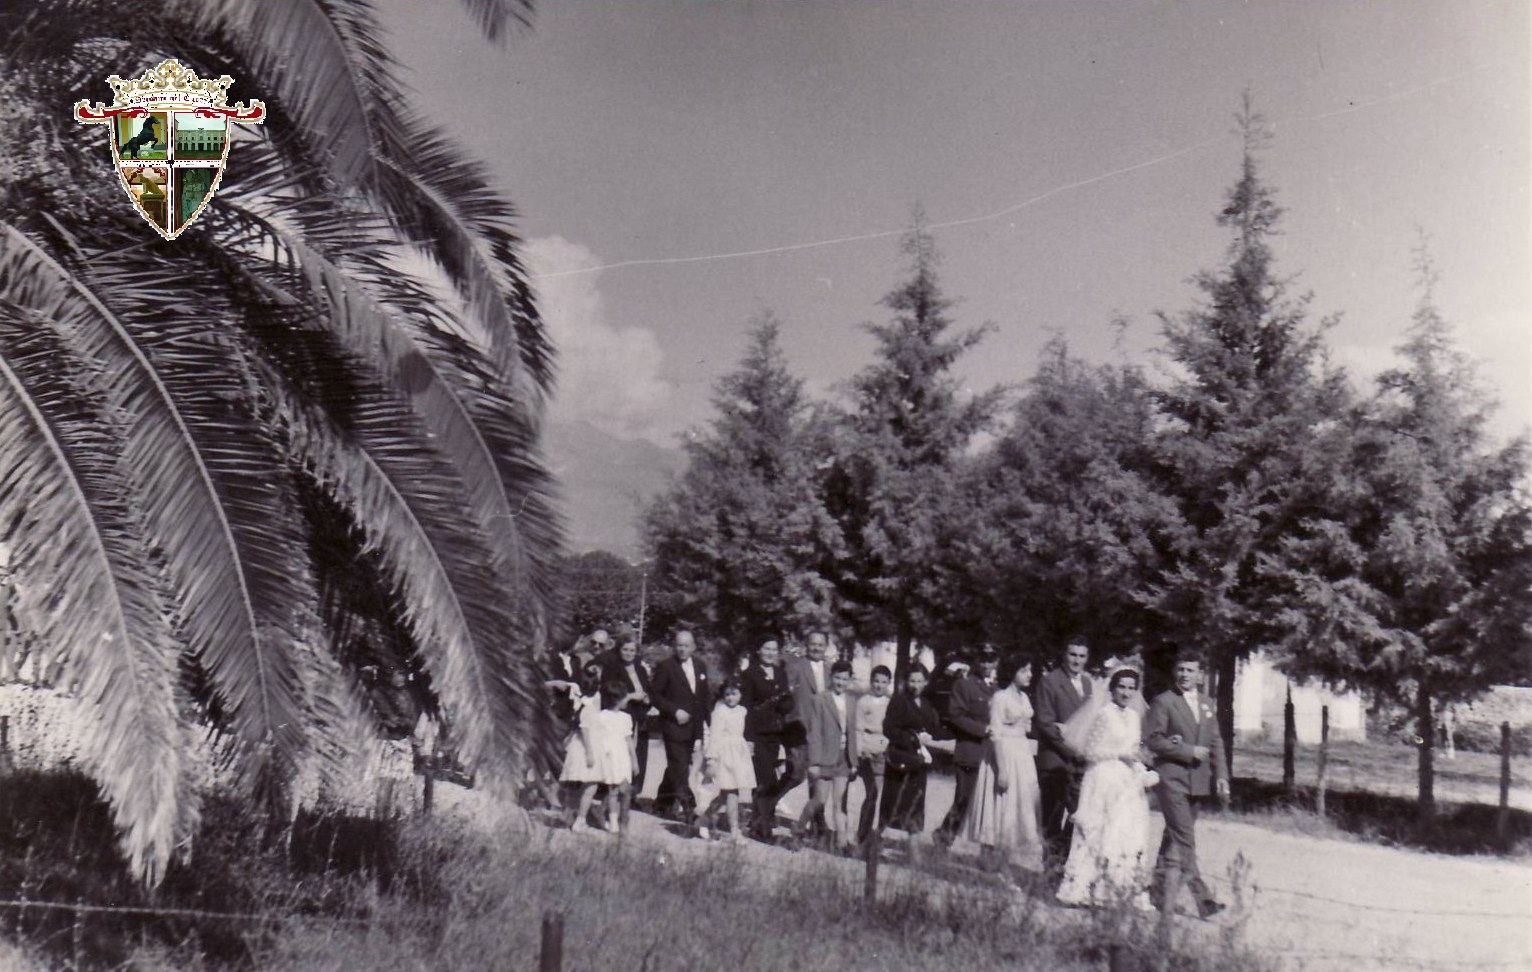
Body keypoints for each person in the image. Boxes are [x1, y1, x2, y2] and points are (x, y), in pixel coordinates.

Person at [1056, 669, 1155, 907]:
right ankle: (1083, 890)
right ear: (1112, 689)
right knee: (1097, 831)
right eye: (1122, 687)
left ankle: (1116, 892)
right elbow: (1090, 752)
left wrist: (1140, 769)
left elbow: (1133, 750)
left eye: (1131, 688)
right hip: (1102, 778)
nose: (1126, 693)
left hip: (1126, 781)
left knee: (1123, 833)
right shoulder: (1104, 714)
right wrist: (1118, 755)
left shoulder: (1134, 716)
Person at [1145, 653, 1228, 919]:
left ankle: (1157, 893)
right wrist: (1187, 750)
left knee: (1173, 837)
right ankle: (1204, 900)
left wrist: (1221, 775)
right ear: (1174, 671)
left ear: (1200, 674)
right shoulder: (1163, 701)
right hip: (1172, 779)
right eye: (1181, 669)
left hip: (1198, 781)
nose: (1185, 675)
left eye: (1190, 670)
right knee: (1184, 839)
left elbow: (1215, 741)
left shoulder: (1207, 703)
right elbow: (1153, 740)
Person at [962, 659, 1041, 865]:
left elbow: (1026, 726)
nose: (1029, 675)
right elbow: (995, 734)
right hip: (1003, 753)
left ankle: (1004, 859)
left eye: (1030, 670)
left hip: (1021, 753)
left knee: (1016, 804)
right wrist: (1002, 769)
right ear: (1012, 672)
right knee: (997, 801)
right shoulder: (1000, 697)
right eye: (1024, 670)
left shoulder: (1024, 697)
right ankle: (987, 859)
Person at [1035, 642, 1093, 879]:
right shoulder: (1049, 681)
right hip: (1055, 759)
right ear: (1064, 654)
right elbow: (1045, 723)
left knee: (1078, 815)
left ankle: (1063, 863)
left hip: (1081, 763)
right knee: (1052, 816)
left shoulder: (1088, 683)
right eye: (1072, 654)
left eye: (1082, 656)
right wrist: (1071, 748)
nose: (1077, 660)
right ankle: (1050, 871)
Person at [938, 648, 1000, 846]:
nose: (986, 665)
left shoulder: (998, 689)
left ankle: (987, 850)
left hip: (991, 754)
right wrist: (982, 729)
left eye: (991, 660)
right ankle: (943, 839)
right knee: (964, 799)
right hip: (970, 751)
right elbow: (956, 716)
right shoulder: (964, 685)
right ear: (977, 661)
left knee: (989, 803)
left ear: (997, 662)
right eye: (983, 660)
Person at [649, 629, 712, 823]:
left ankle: (662, 804)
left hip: (694, 726)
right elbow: (654, 695)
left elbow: (703, 698)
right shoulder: (666, 666)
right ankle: (690, 810)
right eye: (679, 645)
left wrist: (708, 725)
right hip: (674, 725)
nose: (682, 649)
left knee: (677, 765)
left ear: (693, 646)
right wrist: (674, 711)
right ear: (674, 646)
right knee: (680, 766)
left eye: (686, 645)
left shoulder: (700, 666)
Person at [797, 660, 856, 851]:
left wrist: (854, 761)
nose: (840, 682)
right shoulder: (820, 699)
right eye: (837, 678)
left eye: (845, 679)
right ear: (831, 677)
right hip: (824, 758)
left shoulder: (851, 701)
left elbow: (853, 733)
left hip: (843, 759)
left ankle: (842, 843)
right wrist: (814, 762)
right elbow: (814, 732)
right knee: (819, 800)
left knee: (839, 803)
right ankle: (799, 828)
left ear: (849, 680)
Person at [741, 640, 795, 839]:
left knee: (766, 780)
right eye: (766, 648)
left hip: (775, 733)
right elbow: (746, 706)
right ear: (758, 650)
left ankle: (758, 821)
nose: (770, 653)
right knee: (766, 779)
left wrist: (787, 703)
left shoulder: (780, 673)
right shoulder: (750, 673)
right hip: (757, 734)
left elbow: (786, 700)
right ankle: (763, 826)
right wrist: (748, 737)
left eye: (774, 649)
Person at [880, 666, 943, 835]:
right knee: (895, 801)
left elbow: (932, 727)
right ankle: (879, 840)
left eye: (920, 681)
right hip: (901, 757)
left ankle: (913, 844)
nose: (916, 685)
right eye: (912, 681)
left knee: (916, 800)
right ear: (906, 682)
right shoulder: (899, 701)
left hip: (919, 760)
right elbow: (889, 729)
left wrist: (930, 736)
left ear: (926, 682)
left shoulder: (926, 704)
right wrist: (912, 738)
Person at [600, 634, 653, 813]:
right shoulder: (612, 668)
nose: (629, 653)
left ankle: (633, 794)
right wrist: (630, 696)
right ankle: (611, 797)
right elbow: (609, 692)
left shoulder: (640, 669)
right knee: (621, 755)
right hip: (621, 715)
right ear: (619, 650)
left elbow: (647, 690)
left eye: (632, 650)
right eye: (625, 649)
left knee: (639, 754)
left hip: (640, 716)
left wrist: (647, 699)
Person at [699, 678, 756, 842]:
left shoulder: (743, 711)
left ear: (740, 695)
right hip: (724, 754)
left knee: (728, 793)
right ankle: (734, 831)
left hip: (738, 753)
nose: (730, 698)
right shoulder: (719, 712)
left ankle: (705, 819)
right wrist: (711, 759)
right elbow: (715, 736)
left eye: (734, 694)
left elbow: (746, 731)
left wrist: (749, 746)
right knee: (731, 792)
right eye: (727, 695)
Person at [558, 660, 607, 828]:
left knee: (578, 783)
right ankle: (579, 819)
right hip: (587, 746)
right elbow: (585, 730)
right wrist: (590, 753)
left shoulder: (583, 702)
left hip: (582, 745)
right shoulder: (589, 706)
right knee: (590, 785)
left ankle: (571, 817)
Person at [851, 664, 893, 844]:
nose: (879, 686)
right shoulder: (864, 702)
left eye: (883, 682)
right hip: (867, 751)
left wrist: (887, 747)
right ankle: (861, 834)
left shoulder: (890, 703)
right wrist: (859, 751)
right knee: (871, 792)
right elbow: (858, 728)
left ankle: (873, 833)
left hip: (883, 751)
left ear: (889, 683)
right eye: (876, 681)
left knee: (878, 794)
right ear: (871, 682)